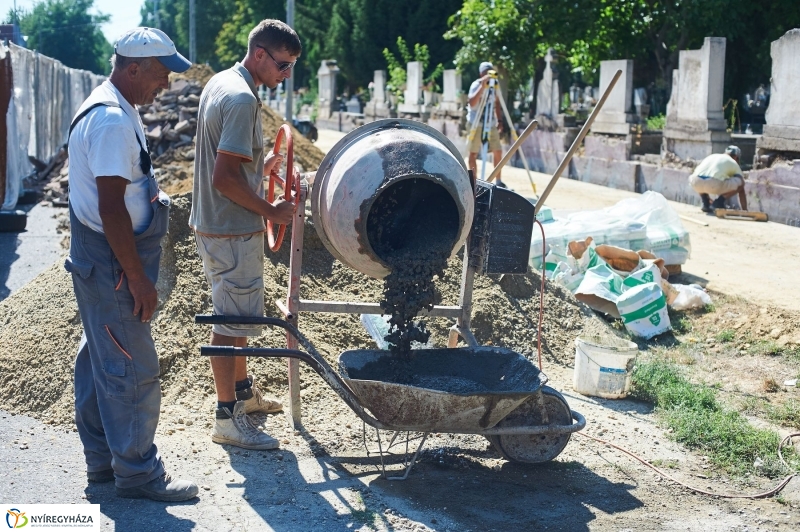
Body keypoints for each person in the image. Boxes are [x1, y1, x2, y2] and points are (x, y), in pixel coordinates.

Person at [66, 27, 198, 502]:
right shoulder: (111, 122)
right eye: (163, 73)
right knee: (131, 366)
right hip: (114, 260)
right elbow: (111, 207)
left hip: (100, 257)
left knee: (101, 356)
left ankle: (104, 461)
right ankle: (138, 474)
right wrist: (138, 277)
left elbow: (116, 193)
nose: (166, 84)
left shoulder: (114, 106)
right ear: (134, 67)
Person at [189, 19, 300, 450]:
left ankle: (243, 395)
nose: (286, 74)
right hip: (231, 227)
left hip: (218, 223)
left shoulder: (222, 81)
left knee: (235, 317)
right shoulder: (240, 98)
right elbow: (224, 178)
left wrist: (263, 166)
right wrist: (272, 209)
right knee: (228, 322)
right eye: (283, 65)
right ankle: (227, 418)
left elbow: (233, 162)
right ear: (259, 55)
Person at [467, 61, 505, 187]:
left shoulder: (495, 86)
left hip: (490, 122)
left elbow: (497, 104)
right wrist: (482, 86)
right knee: (473, 153)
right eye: (486, 72)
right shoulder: (476, 84)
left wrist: (499, 120)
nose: (488, 74)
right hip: (475, 122)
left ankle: (498, 181)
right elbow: (472, 103)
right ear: (481, 73)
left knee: (497, 151)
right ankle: (474, 183)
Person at [689, 146, 747, 213]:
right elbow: (741, 189)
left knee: (702, 179)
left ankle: (706, 203)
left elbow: (702, 178)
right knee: (741, 182)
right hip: (713, 183)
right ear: (736, 157)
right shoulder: (733, 162)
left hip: (694, 182)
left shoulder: (712, 156)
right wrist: (745, 210)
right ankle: (719, 202)